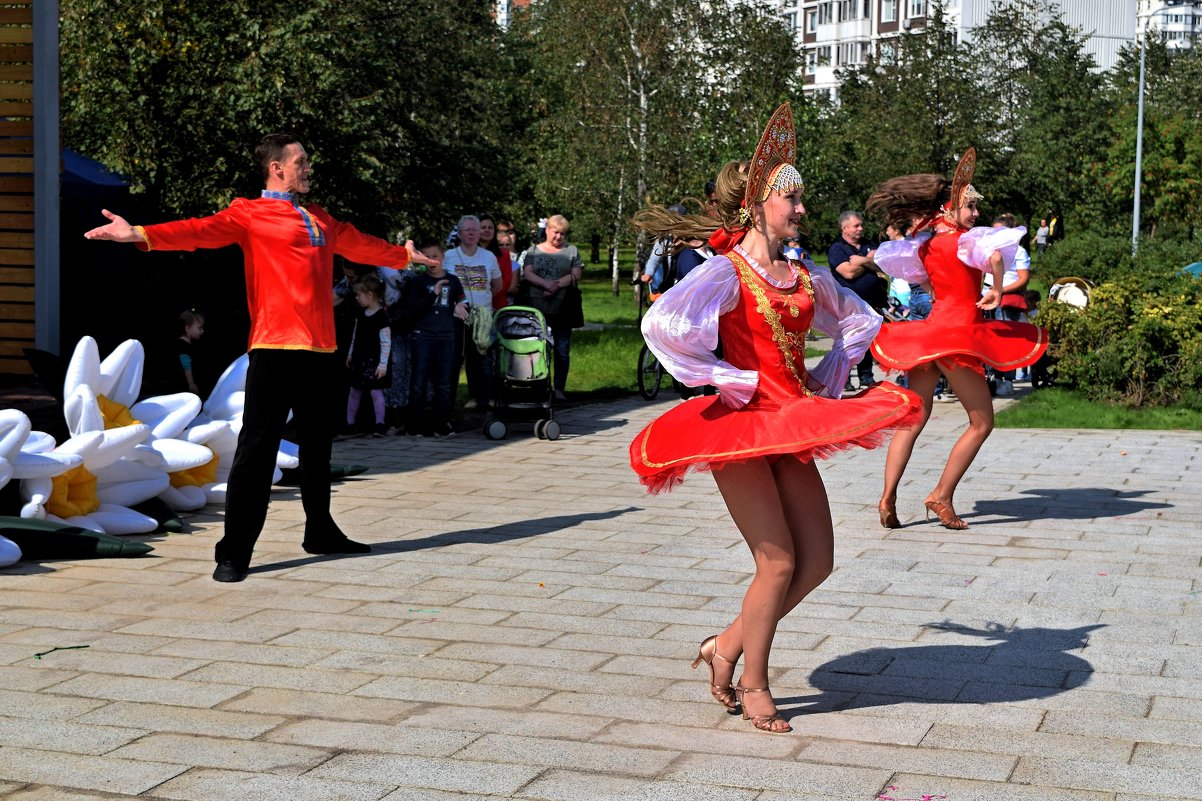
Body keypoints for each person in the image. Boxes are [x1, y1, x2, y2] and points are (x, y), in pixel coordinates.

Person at [629, 104, 923, 734]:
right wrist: (723, 375)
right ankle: (754, 682)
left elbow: (858, 321)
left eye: (801, 199)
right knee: (779, 562)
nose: (800, 210)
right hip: (736, 428)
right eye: (790, 199)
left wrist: (827, 374)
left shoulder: (805, 276)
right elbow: (664, 325)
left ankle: (724, 644)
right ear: (757, 205)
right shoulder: (726, 273)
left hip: (789, 420)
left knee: (817, 560)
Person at [83, 132, 436, 582]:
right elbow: (199, 230)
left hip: (321, 348)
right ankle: (234, 551)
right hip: (274, 345)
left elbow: (358, 243)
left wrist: (401, 256)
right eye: (302, 161)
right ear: (278, 168)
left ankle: (321, 531)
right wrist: (140, 234)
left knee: (318, 448)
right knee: (256, 448)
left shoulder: (320, 218)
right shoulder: (248, 214)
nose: (308, 168)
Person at [866, 149, 1048, 532]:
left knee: (914, 418)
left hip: (928, 335)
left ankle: (887, 498)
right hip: (959, 337)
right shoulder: (966, 241)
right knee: (981, 423)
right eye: (970, 207)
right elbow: (997, 258)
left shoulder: (926, 245)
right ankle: (941, 495)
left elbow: (927, 282)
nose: (976, 214)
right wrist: (996, 291)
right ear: (950, 208)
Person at [401, 241, 469, 437]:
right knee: (419, 381)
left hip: (446, 336)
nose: (432, 261)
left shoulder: (454, 280)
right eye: (427, 257)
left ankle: (442, 423)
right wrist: (434, 293)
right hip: (423, 336)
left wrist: (459, 308)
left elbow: (463, 303)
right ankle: (414, 425)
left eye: (435, 256)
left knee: (444, 382)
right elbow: (413, 310)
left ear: (443, 256)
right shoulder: (418, 282)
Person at [521, 214, 584, 401]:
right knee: (537, 350)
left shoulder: (572, 251)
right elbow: (528, 273)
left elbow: (576, 274)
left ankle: (559, 389)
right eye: (556, 232)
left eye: (562, 234)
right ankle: (538, 386)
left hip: (563, 308)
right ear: (547, 230)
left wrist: (555, 285)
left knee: (562, 351)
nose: (559, 237)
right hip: (537, 308)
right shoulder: (533, 251)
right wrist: (545, 285)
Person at [444, 215, 502, 411]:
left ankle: (484, 401)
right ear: (459, 233)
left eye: (474, 230)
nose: (471, 233)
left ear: (479, 234)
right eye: (467, 230)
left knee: (482, 359)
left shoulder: (489, 257)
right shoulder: (449, 256)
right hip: (456, 315)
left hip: (483, 316)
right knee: (455, 359)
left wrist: (482, 301)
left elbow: (497, 284)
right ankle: (448, 404)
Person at [828, 211, 888, 391]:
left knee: (867, 340)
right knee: (847, 342)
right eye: (856, 225)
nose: (860, 228)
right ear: (844, 228)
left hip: (871, 303)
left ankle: (866, 377)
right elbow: (848, 272)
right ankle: (844, 379)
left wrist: (863, 260)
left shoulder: (868, 244)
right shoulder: (837, 248)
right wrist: (869, 261)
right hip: (847, 306)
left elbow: (882, 265)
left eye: (861, 225)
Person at [984, 213, 1032, 393]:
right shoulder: (988, 249)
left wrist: (1000, 290)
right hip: (987, 296)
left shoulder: (1019, 251)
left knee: (1006, 341)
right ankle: (991, 377)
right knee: (989, 340)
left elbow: (1023, 278)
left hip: (1005, 298)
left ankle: (1006, 378)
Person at [344, 275, 392, 437]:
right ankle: (350, 423)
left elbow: (386, 342)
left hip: (374, 361)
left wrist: (383, 364)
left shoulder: (382, 316)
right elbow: (355, 335)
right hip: (359, 359)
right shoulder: (361, 314)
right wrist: (351, 353)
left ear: (370, 295)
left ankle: (380, 423)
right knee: (354, 391)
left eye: (359, 294)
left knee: (375, 392)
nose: (356, 298)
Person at [479, 214, 514, 313]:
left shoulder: (504, 254)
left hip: (497, 306)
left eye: (490, 228)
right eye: (483, 227)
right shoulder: (468, 254)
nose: (487, 230)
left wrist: (486, 297)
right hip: (473, 305)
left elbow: (506, 283)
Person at [174, 309, 207, 395]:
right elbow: (187, 366)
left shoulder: (190, 345)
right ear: (187, 328)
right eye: (199, 328)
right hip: (187, 389)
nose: (202, 331)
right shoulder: (183, 346)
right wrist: (191, 384)